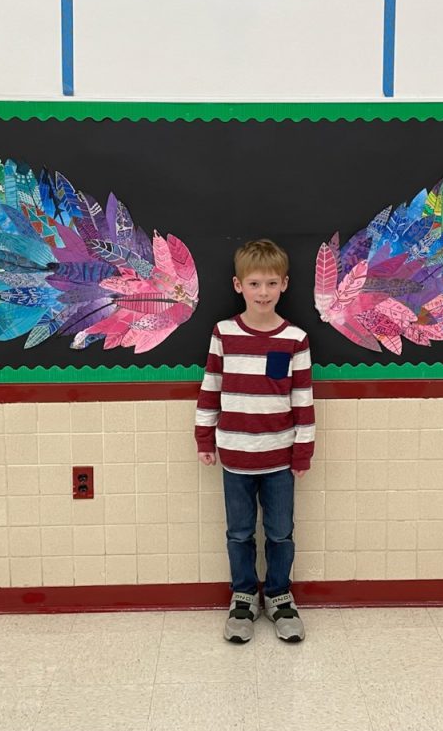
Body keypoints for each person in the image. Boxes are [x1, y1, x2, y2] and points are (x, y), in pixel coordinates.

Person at [195, 239, 315, 644]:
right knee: (239, 533)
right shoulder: (223, 334)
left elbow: (302, 400)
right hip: (235, 457)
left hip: (280, 459)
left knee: (280, 532)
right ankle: (244, 596)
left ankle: (279, 595)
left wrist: (303, 450)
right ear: (237, 285)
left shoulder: (295, 338)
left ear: (284, 285)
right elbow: (211, 387)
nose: (262, 292)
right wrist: (203, 437)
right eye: (254, 284)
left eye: (270, 284)